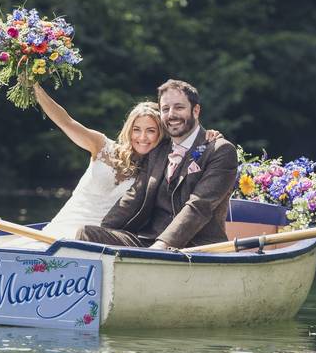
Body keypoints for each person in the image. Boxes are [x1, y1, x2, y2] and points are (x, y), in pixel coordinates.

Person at [1, 83, 220, 247]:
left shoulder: (158, 167)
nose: (142, 137)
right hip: (61, 228)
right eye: (137, 129)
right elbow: (65, 122)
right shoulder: (102, 146)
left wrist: (207, 137)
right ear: (129, 130)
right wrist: (35, 87)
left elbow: (185, 136)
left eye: (151, 130)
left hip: (101, 239)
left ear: (160, 134)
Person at [76, 79, 237, 250]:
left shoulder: (220, 150)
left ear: (196, 110)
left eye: (179, 107)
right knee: (87, 234)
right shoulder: (159, 149)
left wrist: (162, 246)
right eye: (165, 109)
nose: (172, 114)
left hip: (195, 248)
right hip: (148, 241)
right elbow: (134, 197)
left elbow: (199, 206)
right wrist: (105, 229)